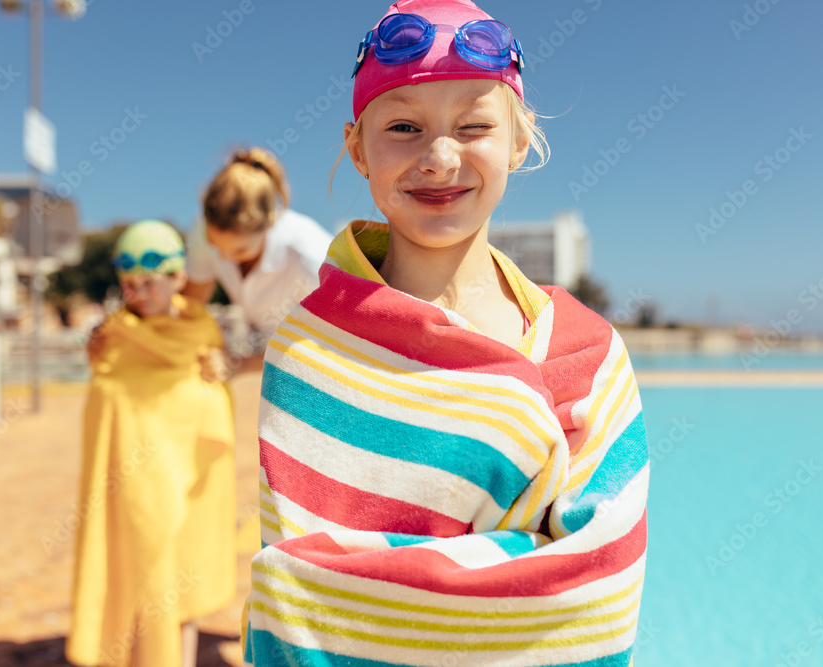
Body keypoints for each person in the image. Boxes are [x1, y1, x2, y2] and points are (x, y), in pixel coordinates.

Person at [244, 2, 650, 666]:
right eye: (403, 126)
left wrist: (377, 587)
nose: (438, 157)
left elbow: (600, 590)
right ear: (357, 149)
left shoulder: (587, 352)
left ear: (518, 140)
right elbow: (298, 588)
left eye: (474, 126)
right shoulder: (311, 349)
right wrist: (513, 561)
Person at [67, 220, 236, 667]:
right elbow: (109, 404)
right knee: (145, 575)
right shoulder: (113, 338)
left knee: (179, 580)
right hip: (135, 485)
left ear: (179, 277)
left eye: (148, 282)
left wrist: (216, 378)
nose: (138, 293)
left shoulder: (202, 335)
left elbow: (210, 399)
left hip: (190, 480)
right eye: (128, 285)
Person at [185, 147, 332, 348]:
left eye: (240, 251)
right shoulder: (202, 229)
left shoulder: (312, 262)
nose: (224, 258)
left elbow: (327, 345)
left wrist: (244, 366)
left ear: (270, 224)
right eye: (215, 246)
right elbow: (191, 306)